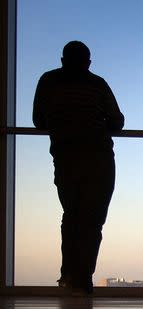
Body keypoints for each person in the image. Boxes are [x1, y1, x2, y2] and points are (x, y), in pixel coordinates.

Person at [33, 41, 124, 294]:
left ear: (62, 60)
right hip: (99, 157)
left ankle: (69, 275)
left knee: (71, 216)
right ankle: (83, 278)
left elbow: (38, 120)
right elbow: (118, 121)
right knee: (93, 221)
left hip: (65, 156)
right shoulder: (98, 84)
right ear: (89, 63)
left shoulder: (48, 81)